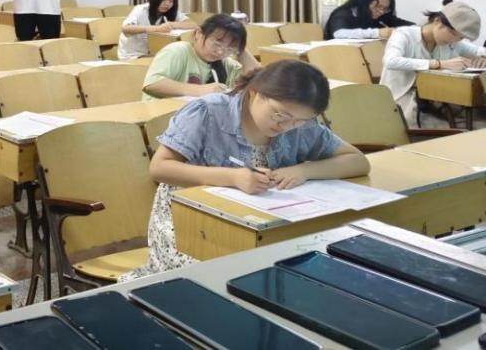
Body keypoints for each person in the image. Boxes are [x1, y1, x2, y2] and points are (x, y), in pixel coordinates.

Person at [124, 60, 368, 278]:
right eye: (279, 115)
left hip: (258, 223)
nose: (286, 126)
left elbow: (357, 160)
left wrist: (303, 171)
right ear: (255, 92)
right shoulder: (208, 112)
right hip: (190, 226)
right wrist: (232, 177)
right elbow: (160, 168)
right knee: (235, 275)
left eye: (299, 121)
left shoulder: (300, 126)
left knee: (308, 262)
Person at [381, 0, 486, 126]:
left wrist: (482, 58)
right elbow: (390, 61)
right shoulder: (404, 35)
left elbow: (480, 50)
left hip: (435, 100)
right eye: (453, 33)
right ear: (437, 21)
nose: (454, 40)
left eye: (461, 37)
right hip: (401, 101)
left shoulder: (452, 42)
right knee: (461, 128)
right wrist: (439, 64)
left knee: (477, 121)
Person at [142, 14, 260, 100]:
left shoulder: (225, 62)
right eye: (217, 43)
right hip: (166, 116)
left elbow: (259, 79)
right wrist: (200, 90)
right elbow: (152, 84)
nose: (220, 52)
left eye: (229, 49)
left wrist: (240, 48)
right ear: (199, 33)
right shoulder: (178, 51)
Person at [118, 0, 195, 60]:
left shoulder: (171, 12)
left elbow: (193, 25)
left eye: (171, 1)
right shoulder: (140, 10)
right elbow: (126, 29)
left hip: (153, 54)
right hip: (133, 55)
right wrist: (157, 28)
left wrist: (172, 24)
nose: (167, 4)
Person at [323, 0, 413, 40]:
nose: (381, 11)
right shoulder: (343, 13)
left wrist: (418, 30)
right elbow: (339, 33)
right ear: (365, 2)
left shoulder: (381, 17)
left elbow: (405, 24)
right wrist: (378, 33)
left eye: (385, 9)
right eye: (377, 6)